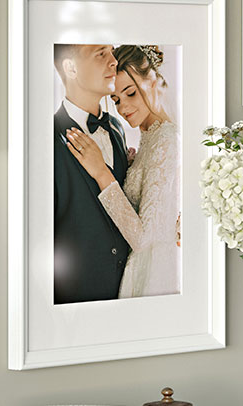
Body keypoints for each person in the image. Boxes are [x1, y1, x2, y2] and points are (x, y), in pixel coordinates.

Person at [66, 45, 180, 298]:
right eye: (116, 99)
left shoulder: (167, 140)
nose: (123, 108)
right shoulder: (148, 137)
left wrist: (101, 173)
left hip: (153, 274)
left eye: (130, 93)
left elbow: (141, 239)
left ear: (153, 82)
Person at [53, 44, 130, 304]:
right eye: (101, 53)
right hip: (76, 297)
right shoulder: (45, 137)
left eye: (112, 52)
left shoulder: (117, 127)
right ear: (71, 68)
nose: (113, 61)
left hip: (130, 290)